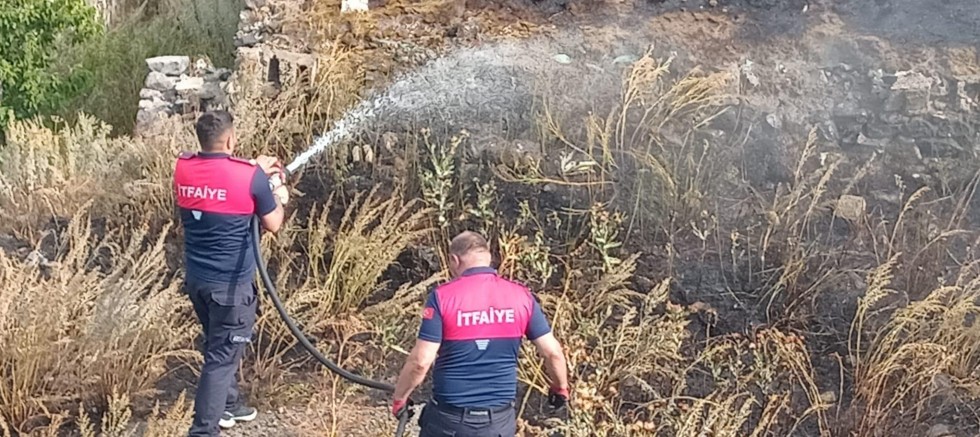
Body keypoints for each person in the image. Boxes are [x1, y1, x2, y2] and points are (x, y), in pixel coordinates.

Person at [173, 110, 290, 436]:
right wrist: (276, 194)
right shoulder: (250, 177)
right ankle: (204, 430)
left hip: (198, 282)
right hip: (231, 288)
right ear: (231, 139)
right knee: (221, 358)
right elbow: (274, 223)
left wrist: (254, 168)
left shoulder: (183, 167)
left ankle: (230, 404)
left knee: (218, 343)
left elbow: (220, 177)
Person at [391, 231, 570, 436]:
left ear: (454, 260)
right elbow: (552, 352)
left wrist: (400, 398)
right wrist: (560, 389)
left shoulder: (442, 297)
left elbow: (421, 362)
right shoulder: (522, 296)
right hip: (499, 424)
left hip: (448, 422)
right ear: (488, 257)